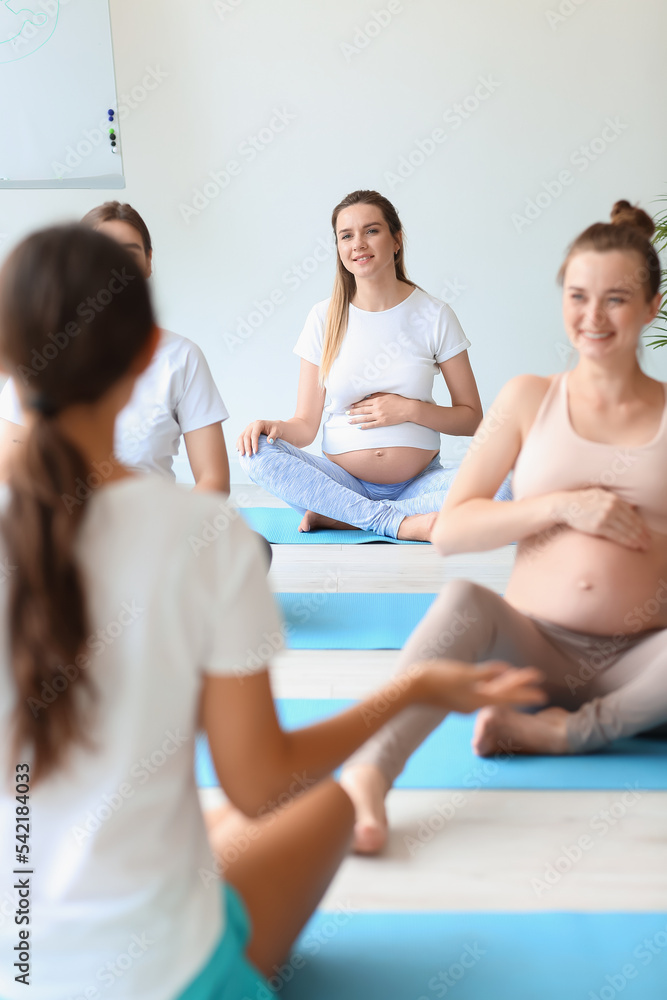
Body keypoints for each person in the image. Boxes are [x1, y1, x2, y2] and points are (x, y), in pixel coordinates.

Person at [0, 225, 544, 999]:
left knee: (210, 829)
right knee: (312, 805)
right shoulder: (203, 537)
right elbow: (262, 783)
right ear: (148, 351)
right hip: (169, 976)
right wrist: (413, 691)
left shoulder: (428, 314)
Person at [340, 200, 666, 855]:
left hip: (643, 663)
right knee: (463, 600)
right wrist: (558, 506)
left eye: (615, 300)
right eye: (577, 296)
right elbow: (451, 531)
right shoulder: (528, 399)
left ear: (651, 307)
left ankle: (561, 734)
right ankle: (368, 773)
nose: (591, 318)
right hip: (531, 652)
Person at [237, 190, 509, 542]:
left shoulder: (434, 314)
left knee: (511, 478)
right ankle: (396, 522)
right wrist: (272, 426)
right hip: (341, 482)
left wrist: (409, 410)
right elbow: (305, 426)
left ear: (396, 240)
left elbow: (472, 418)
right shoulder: (323, 317)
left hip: (421, 485)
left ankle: (351, 516)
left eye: (371, 231)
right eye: (346, 236)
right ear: (338, 248)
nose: (358, 244)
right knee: (255, 454)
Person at [0, 201, 230, 493]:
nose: (116, 270)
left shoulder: (182, 357)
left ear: (148, 261)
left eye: (128, 255)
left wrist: (172, 531)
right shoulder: (46, 352)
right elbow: (9, 474)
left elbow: (214, 480)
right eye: (101, 257)